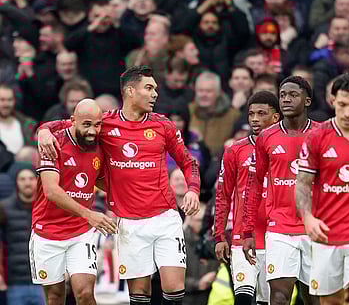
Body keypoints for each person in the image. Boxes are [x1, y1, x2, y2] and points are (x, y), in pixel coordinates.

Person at [38, 65, 201, 305]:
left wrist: (193, 190)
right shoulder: (104, 123)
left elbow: (189, 162)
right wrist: (43, 131)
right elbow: (66, 125)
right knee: (140, 293)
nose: (155, 94)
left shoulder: (163, 125)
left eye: (155, 88)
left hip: (165, 217)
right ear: (130, 91)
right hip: (128, 221)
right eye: (149, 88)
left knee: (174, 288)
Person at [296, 73, 349, 305]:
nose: (347, 113)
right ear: (332, 100)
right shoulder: (317, 136)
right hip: (326, 234)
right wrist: (307, 218)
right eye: (342, 105)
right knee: (330, 302)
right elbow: (302, 183)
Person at [242, 76, 320, 305]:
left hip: (313, 227)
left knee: (313, 298)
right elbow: (255, 184)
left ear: (307, 101)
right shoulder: (267, 136)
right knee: (278, 297)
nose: (286, 99)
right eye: (283, 95)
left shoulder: (321, 133)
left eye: (293, 95)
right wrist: (248, 231)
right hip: (279, 228)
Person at [31, 99, 117, 305]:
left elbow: (101, 180)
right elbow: (52, 191)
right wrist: (89, 214)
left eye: (97, 125)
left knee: (85, 294)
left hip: (81, 232)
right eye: (86, 124)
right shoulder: (53, 143)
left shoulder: (99, 144)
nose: (93, 131)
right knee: (55, 297)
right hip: (47, 232)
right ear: (72, 121)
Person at [215, 91, 281, 305]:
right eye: (251, 113)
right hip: (243, 236)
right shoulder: (235, 150)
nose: (254, 118)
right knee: (242, 298)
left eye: (262, 113)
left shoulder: (285, 148)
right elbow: (223, 195)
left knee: (269, 300)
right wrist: (219, 235)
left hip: (277, 236)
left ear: (276, 117)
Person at [0, 167, 45, 305]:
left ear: (37, 181)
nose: (27, 182)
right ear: (16, 183)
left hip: (44, 280)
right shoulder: (4, 208)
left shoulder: (47, 207)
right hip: (15, 282)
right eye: (22, 179)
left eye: (31, 178)